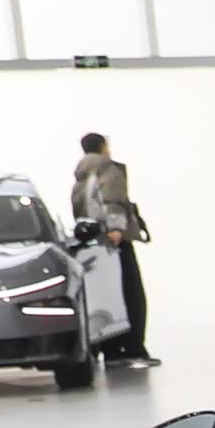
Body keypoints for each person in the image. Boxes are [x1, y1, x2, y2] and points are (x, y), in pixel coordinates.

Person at [69, 132, 155, 369]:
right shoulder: (108, 169)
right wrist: (117, 228)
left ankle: (111, 349)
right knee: (131, 294)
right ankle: (133, 348)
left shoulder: (81, 175)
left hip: (94, 242)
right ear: (103, 147)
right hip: (115, 241)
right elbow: (113, 199)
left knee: (108, 297)